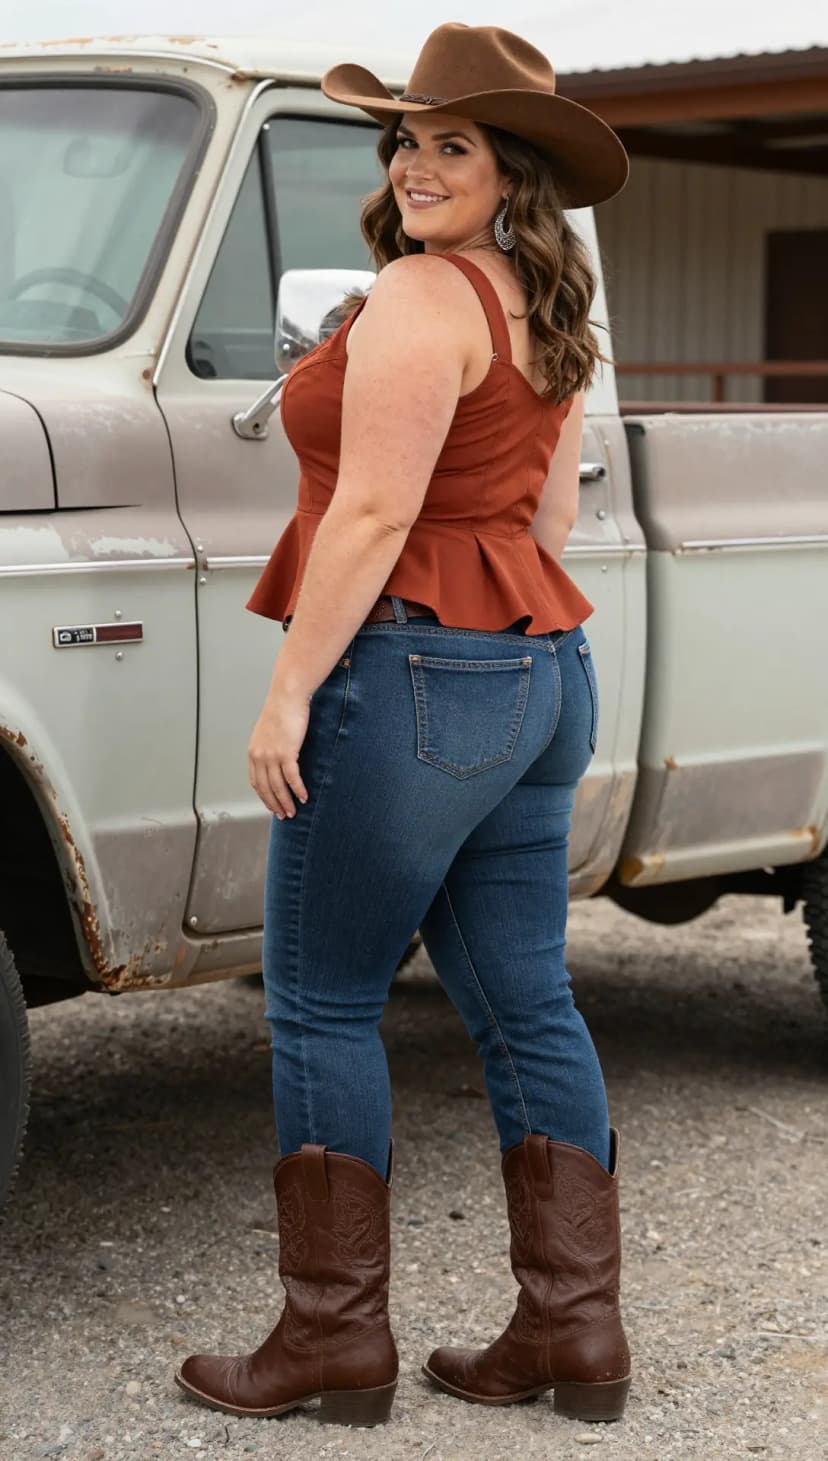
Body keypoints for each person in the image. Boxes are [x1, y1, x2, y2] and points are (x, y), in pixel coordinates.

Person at [175, 21, 631, 1430]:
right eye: (409, 139)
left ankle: (333, 1339)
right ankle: (575, 1332)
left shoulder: (422, 297)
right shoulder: (545, 307)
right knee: (527, 1001)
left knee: (319, 998)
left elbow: (372, 514)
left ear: (511, 173)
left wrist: (291, 688)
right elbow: (546, 519)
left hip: (412, 681)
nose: (419, 165)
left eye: (456, 144)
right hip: (541, 676)